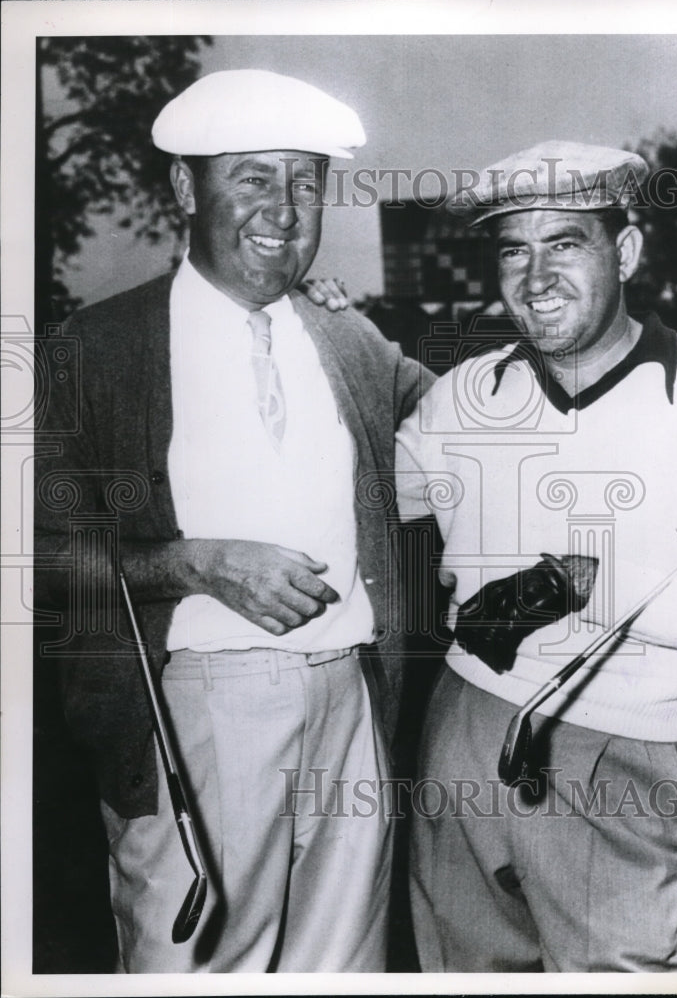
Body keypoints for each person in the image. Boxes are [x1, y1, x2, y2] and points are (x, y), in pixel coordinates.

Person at [34, 69, 429, 973]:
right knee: (201, 969)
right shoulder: (94, 349)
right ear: (186, 188)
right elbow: (32, 547)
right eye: (252, 178)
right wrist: (194, 563)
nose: (284, 210)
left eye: (305, 181)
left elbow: (455, 429)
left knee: (342, 970)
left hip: (351, 702)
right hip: (197, 709)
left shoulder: (351, 340)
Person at [395, 140, 677, 972]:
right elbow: (368, 499)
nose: (535, 275)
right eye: (515, 248)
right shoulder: (468, 389)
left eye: (565, 243)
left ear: (625, 251)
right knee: (459, 969)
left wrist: (581, 582)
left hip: (619, 739)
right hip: (464, 716)